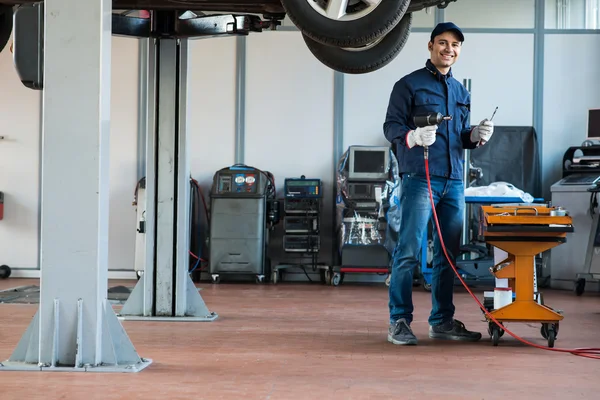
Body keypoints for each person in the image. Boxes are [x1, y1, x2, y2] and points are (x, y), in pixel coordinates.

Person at [383, 22, 494, 345]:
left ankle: (442, 321)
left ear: (460, 51)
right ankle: (399, 320)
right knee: (407, 251)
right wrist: (413, 137)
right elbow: (391, 126)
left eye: (455, 45)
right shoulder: (408, 85)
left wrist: (475, 137)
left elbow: (460, 136)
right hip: (420, 178)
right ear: (430, 46)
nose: (449, 49)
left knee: (448, 255)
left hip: (454, 180)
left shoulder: (461, 92)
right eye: (443, 43)